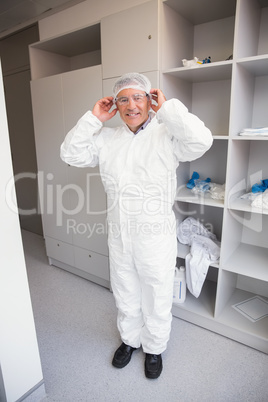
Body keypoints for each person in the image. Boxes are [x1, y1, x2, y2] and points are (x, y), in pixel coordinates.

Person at [60, 72, 213, 379]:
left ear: (149, 101)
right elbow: (71, 153)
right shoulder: (107, 139)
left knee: (156, 291)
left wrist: (168, 110)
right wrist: (94, 119)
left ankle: (154, 347)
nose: (131, 105)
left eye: (138, 97)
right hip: (119, 232)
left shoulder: (165, 134)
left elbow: (201, 140)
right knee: (125, 288)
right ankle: (130, 340)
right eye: (123, 99)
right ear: (115, 105)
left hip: (155, 234)